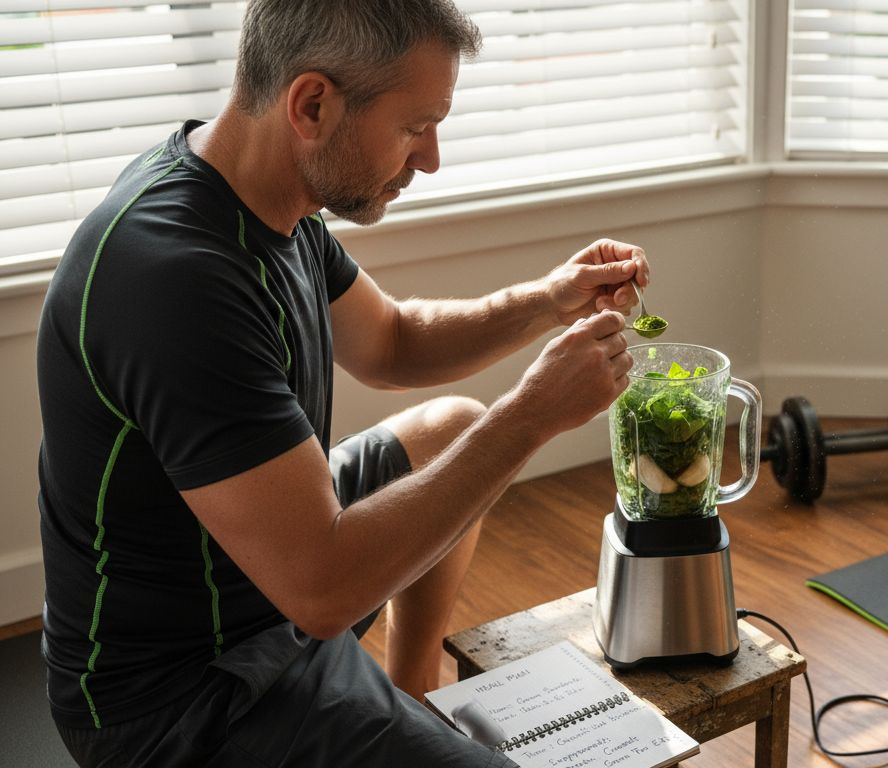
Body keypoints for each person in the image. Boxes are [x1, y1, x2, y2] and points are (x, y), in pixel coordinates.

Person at [35, 0, 644, 765]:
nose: (431, 159)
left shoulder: (266, 195)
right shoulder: (174, 279)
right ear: (313, 104)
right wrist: (530, 416)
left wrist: (545, 300)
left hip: (267, 589)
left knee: (451, 425)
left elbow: (392, 342)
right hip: (181, 700)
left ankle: (412, 689)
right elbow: (322, 594)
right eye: (415, 126)